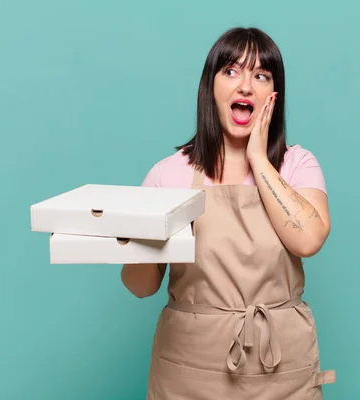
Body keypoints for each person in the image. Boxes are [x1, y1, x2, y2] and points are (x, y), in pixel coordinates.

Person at [121, 26, 335, 399]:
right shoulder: (168, 173)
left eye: (261, 75)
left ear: (274, 95)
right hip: (188, 370)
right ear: (211, 87)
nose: (245, 86)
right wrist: (132, 240)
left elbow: (309, 238)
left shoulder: (298, 165)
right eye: (231, 71)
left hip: (282, 369)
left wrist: (258, 159)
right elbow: (141, 286)